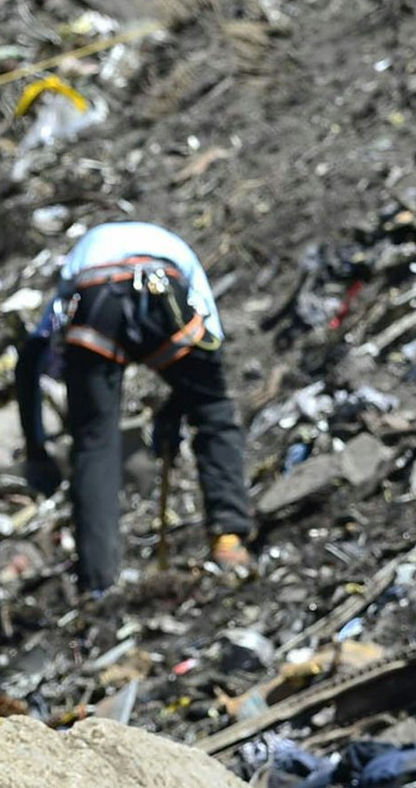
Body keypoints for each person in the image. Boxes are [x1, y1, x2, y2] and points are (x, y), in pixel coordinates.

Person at [15, 221, 254, 591]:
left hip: (95, 302)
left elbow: (30, 356)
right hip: (165, 292)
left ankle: (99, 581)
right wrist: (181, 406)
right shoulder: (178, 251)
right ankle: (229, 540)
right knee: (214, 414)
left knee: (95, 444)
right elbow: (208, 364)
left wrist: (36, 450)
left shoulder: (85, 257)